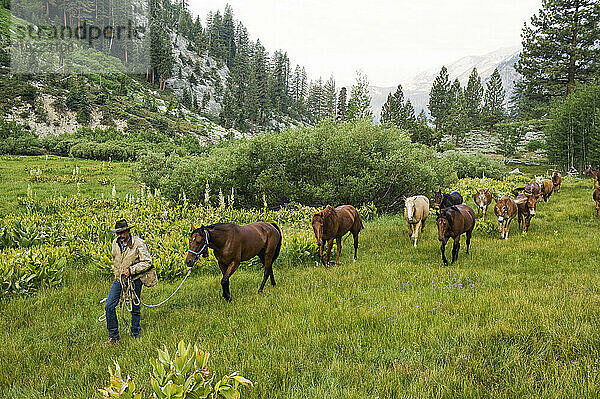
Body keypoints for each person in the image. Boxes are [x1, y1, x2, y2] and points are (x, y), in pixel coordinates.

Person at [104, 219, 157, 345]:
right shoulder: (115, 243)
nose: (120, 236)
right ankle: (113, 337)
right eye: (118, 233)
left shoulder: (139, 243)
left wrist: (131, 270)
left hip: (135, 279)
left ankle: (135, 333)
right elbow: (115, 260)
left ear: (128, 231)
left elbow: (147, 262)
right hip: (119, 280)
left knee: (135, 307)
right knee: (109, 306)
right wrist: (119, 274)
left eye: (122, 233)